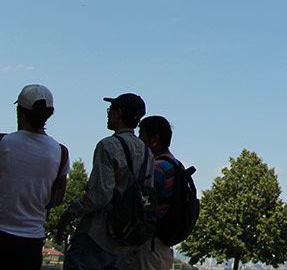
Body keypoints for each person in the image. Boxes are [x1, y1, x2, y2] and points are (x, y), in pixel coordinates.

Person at [59, 93, 154, 270]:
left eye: (110, 109)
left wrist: (69, 213)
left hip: (97, 237)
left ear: (119, 113)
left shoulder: (108, 146)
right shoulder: (148, 153)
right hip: (126, 240)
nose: (108, 113)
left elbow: (99, 196)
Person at [0, 85, 69, 270]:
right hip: (32, 240)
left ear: (19, 112)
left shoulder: (3, 143)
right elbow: (58, 199)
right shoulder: (60, 152)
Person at [124, 116, 180, 270]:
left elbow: (139, 204)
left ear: (154, 140)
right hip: (163, 247)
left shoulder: (157, 168)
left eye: (141, 135)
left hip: (148, 246)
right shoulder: (175, 165)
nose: (138, 140)